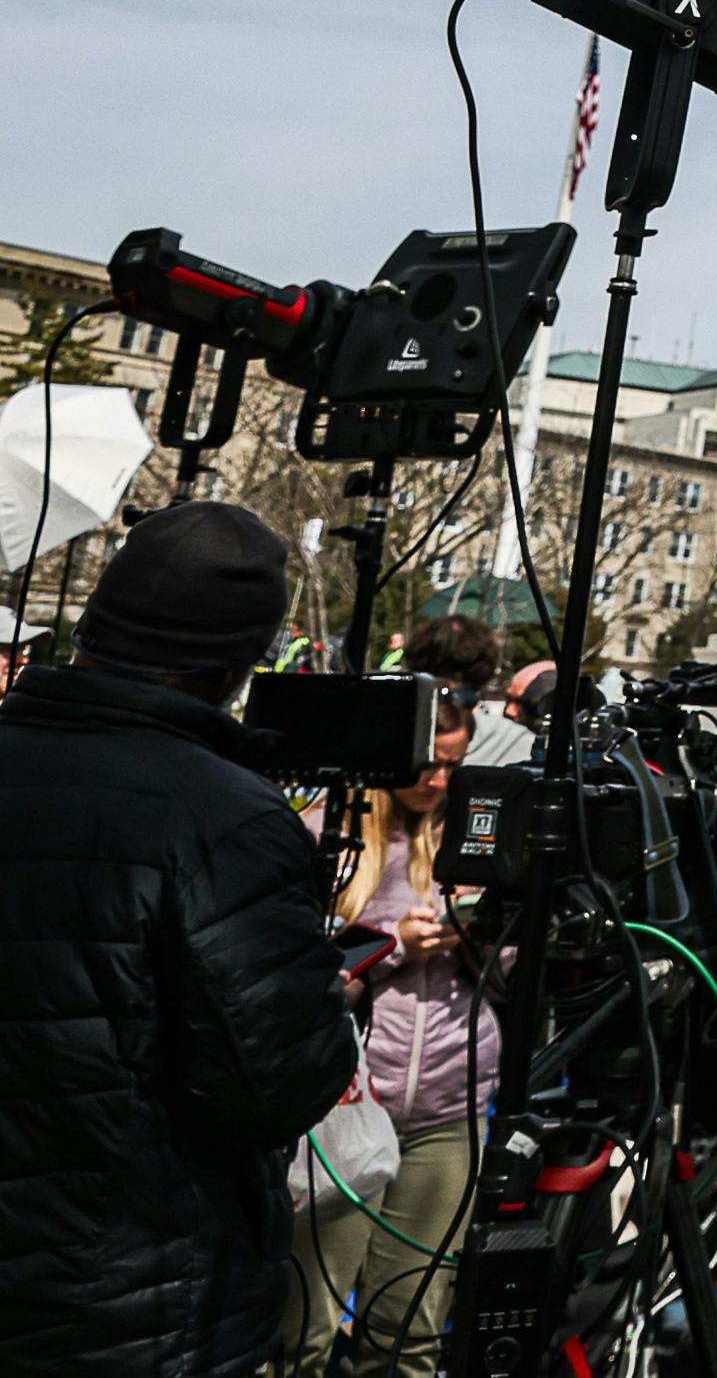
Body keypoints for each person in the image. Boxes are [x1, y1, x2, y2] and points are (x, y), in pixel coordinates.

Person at [0, 501, 361, 1376]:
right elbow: (276, 1082)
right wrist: (325, 996)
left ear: (90, 628)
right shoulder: (224, 817)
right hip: (126, 1304)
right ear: (241, 662)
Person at [285, 699, 497, 1377]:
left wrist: (482, 936)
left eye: (454, 766)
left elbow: (516, 980)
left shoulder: (474, 836)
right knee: (303, 1331)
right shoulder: (327, 834)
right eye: (427, 764)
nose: (438, 780)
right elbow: (295, 970)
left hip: (448, 1109)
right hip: (343, 1108)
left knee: (409, 1331)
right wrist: (396, 946)